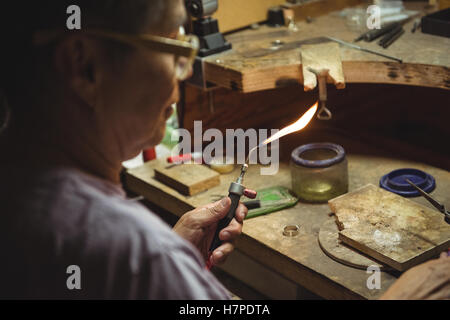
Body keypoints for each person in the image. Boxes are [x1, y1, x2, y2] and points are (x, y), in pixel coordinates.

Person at [0, 0, 252, 299]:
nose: (181, 74)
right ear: (85, 66)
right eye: (173, 46)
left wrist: (171, 265)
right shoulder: (138, 254)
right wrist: (163, 265)